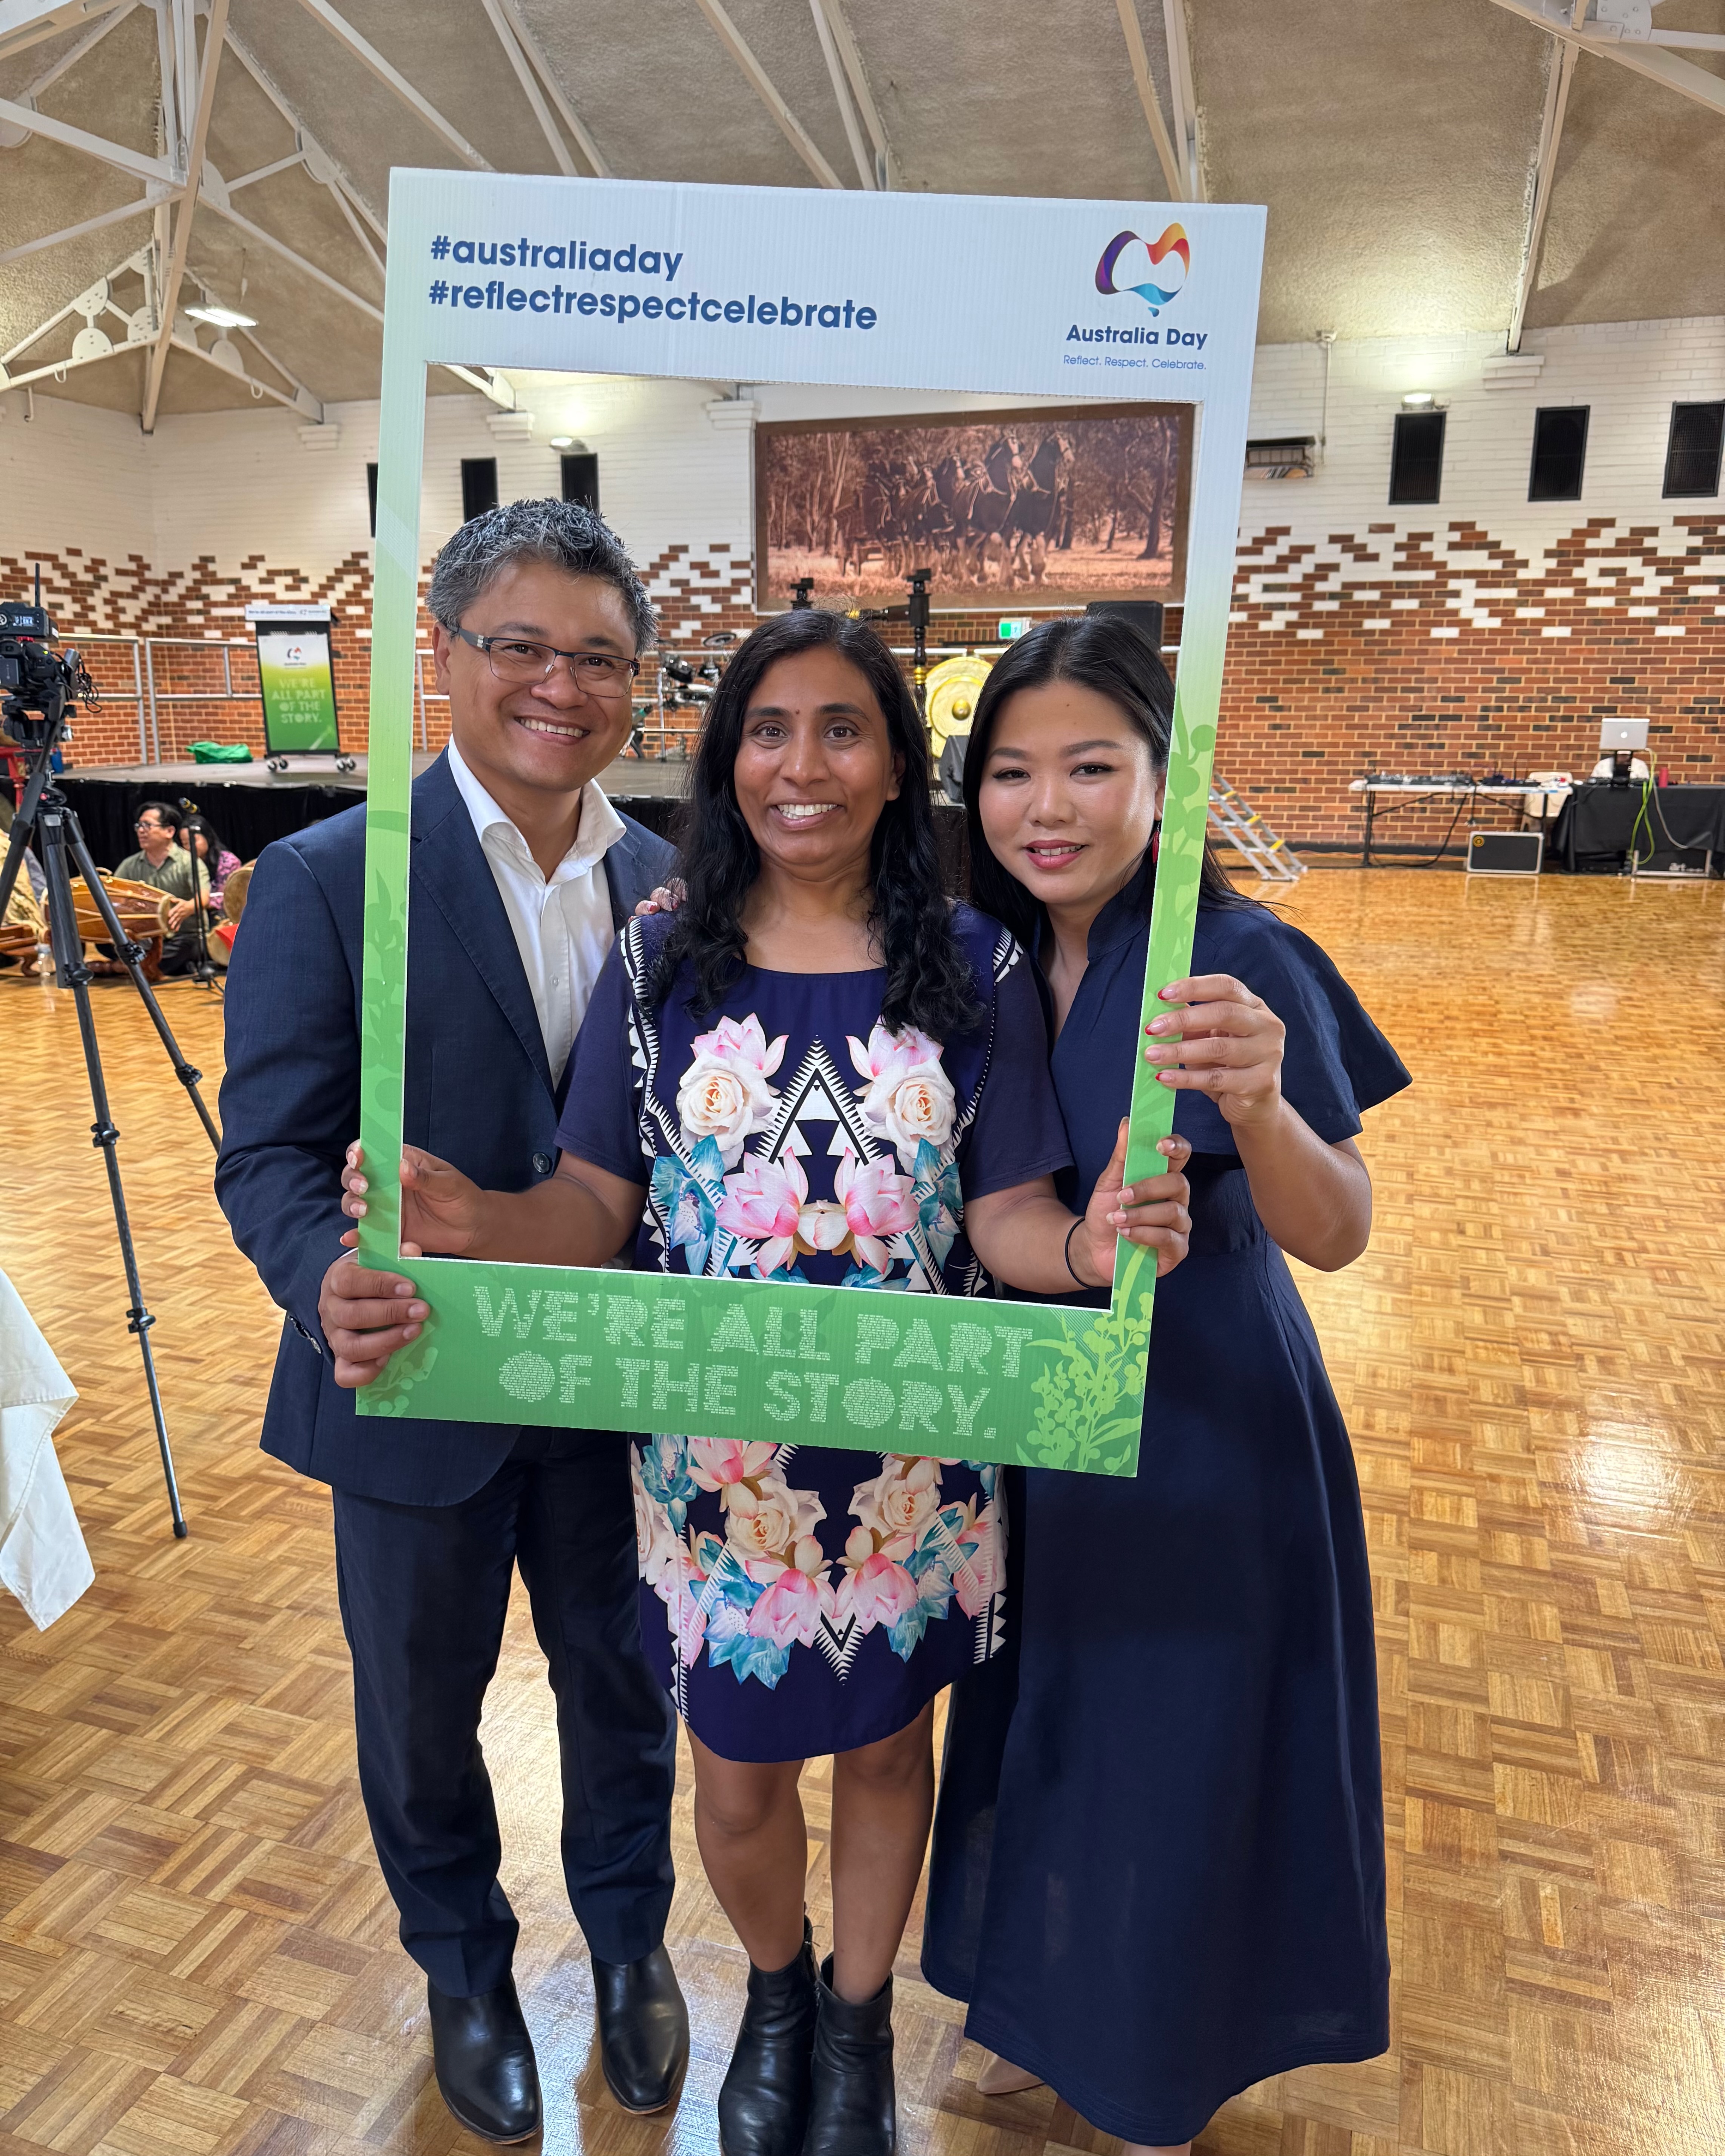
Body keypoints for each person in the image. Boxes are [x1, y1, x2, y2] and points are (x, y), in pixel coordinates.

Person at [339, 607, 1192, 2156]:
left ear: (891, 765)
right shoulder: (663, 951)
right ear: (728, 759)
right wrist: (474, 1222)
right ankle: (780, 1991)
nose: (802, 764)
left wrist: (1090, 1241)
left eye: (842, 729)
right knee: (733, 1773)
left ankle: (855, 2025)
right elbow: (595, 1203)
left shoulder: (978, 957)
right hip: (713, 1460)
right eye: (767, 729)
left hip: (912, 1463)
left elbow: (1004, 1211)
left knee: (882, 1747)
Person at [216, 500, 691, 2145]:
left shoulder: (677, 890)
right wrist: (312, 1272)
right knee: (419, 1708)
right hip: (410, 1375)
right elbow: (267, 1150)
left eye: (601, 658)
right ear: (445, 653)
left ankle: (632, 1945)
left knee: (623, 1683)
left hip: (614, 1379)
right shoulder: (328, 879)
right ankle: (465, 1969)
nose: (561, 685)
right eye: (523, 647)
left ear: (638, 683)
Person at [921, 614, 1411, 2156]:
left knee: (1173, 1746)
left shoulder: (1234, 954)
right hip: (1036, 1414)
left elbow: (1335, 1229)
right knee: (1048, 1719)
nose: (1044, 806)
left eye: (1089, 765)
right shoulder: (982, 957)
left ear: (1163, 778)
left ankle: (1150, 2059)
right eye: (1010, 770)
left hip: (1204, 1427)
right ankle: (1032, 2006)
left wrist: (1261, 1105)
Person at [114, 801, 210, 975]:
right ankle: (144, 966)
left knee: (182, 950)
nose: (141, 831)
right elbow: (113, 895)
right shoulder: (130, 865)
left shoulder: (189, 862)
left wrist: (188, 907)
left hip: (184, 936)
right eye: (139, 826)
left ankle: (121, 967)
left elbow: (204, 897)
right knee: (107, 942)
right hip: (147, 936)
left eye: (148, 825)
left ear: (169, 831)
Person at [187, 815, 241, 910]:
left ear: (208, 837)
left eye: (194, 841)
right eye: (185, 843)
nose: (191, 847)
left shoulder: (228, 861)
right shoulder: (185, 864)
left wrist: (195, 904)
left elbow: (230, 897)